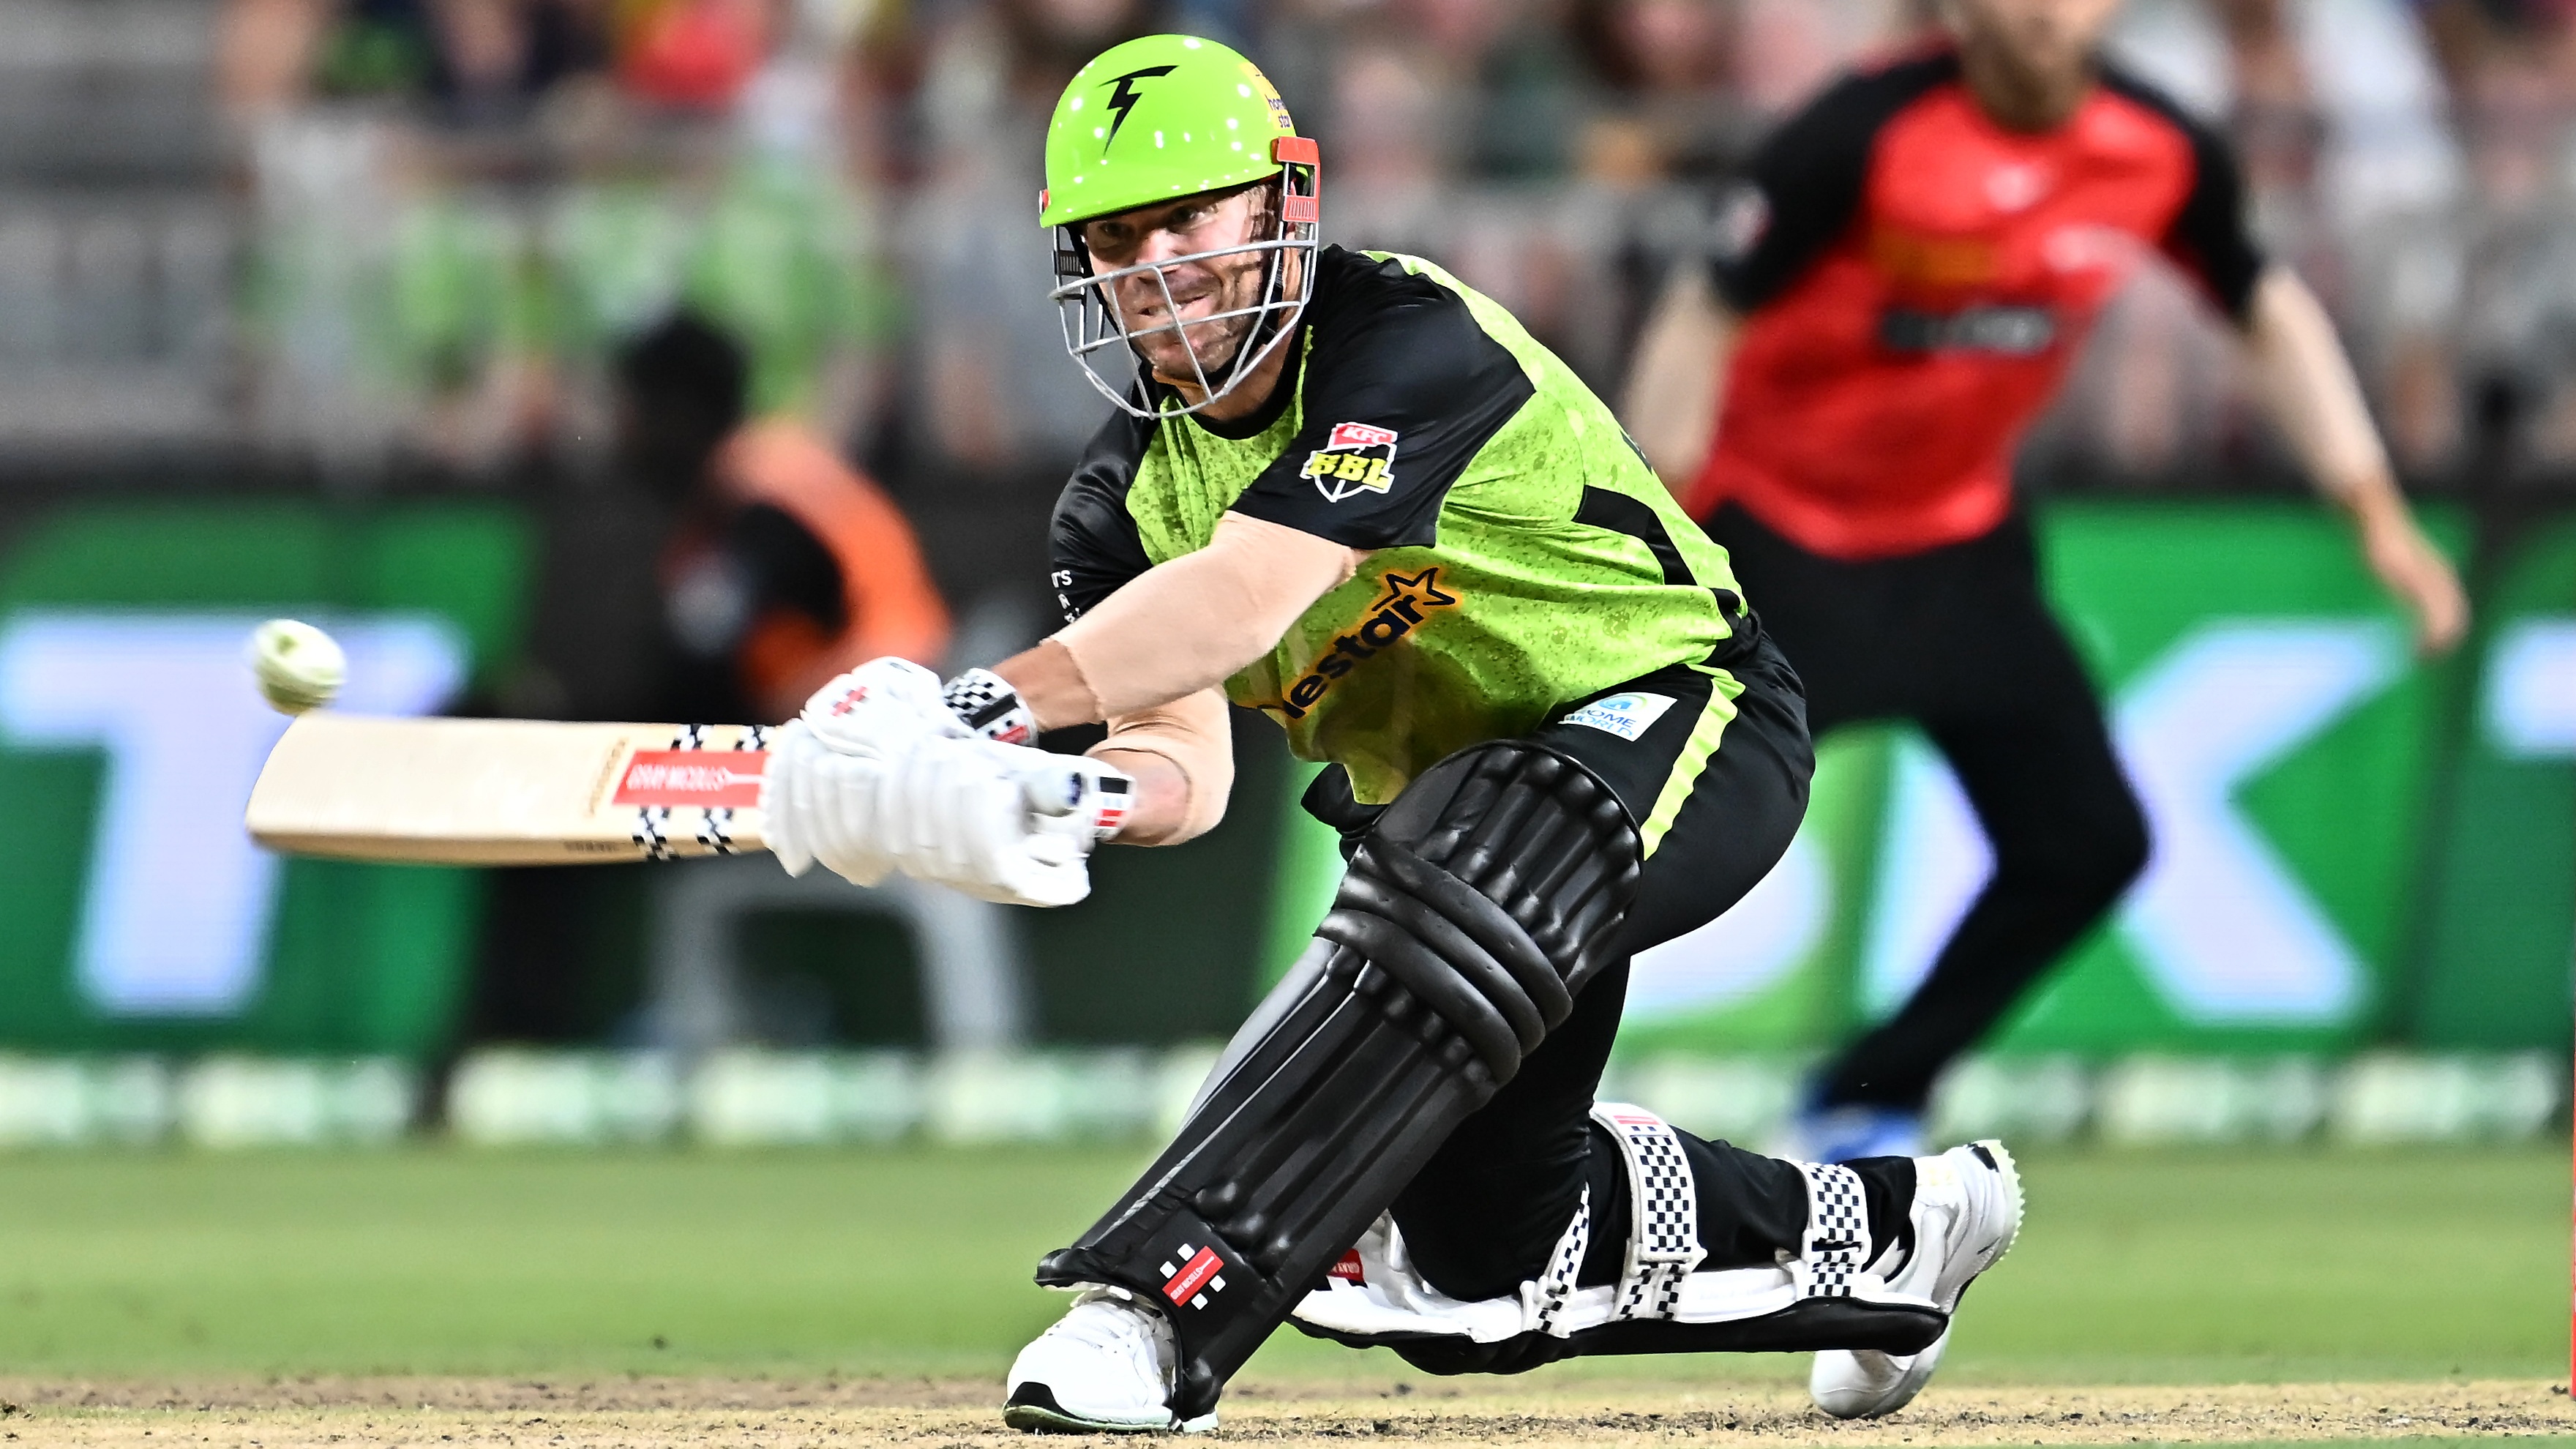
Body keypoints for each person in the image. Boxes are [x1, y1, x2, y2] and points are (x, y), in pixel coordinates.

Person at [750, 34, 2021, 1434]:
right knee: (1483, 1270)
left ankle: (1153, 1312)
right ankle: (1900, 1235)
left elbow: (1245, 597)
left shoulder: (1406, 339)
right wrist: (1043, 796)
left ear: (1286, 203)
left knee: (1463, 850)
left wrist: (972, 702)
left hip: (1683, 716)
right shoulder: (1114, 509)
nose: (1156, 266)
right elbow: (1185, 770)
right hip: (1472, 846)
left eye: (1190, 218)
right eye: (1116, 238)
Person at [1620, 0, 2471, 1164]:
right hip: (1776, 546)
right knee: (1640, 833)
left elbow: (2264, 305)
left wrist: (2377, 515)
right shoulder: (1861, 131)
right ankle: (1487, 1107)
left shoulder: (2158, 145)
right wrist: (1649, 532)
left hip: (1960, 548)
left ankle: (1868, 1096)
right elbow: (1703, 314)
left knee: (2086, 843)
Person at [615, 312, 951, 724]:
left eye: (634, 411)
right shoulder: (760, 470)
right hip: (879, 691)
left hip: (896, 698)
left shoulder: (759, 492)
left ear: (677, 409)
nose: (625, 435)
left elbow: (704, 641)